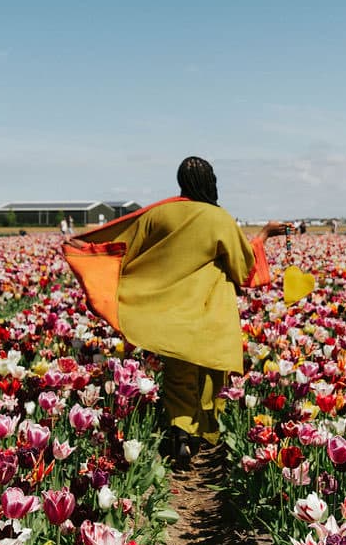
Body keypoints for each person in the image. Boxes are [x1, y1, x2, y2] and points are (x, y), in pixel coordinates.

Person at [65, 156, 285, 468]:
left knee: (179, 375)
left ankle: (180, 434)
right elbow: (243, 268)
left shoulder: (159, 213)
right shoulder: (218, 218)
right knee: (211, 374)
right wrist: (263, 236)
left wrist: (85, 248)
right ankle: (204, 432)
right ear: (211, 183)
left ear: (181, 182)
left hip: (169, 311)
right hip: (211, 313)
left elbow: (123, 249)